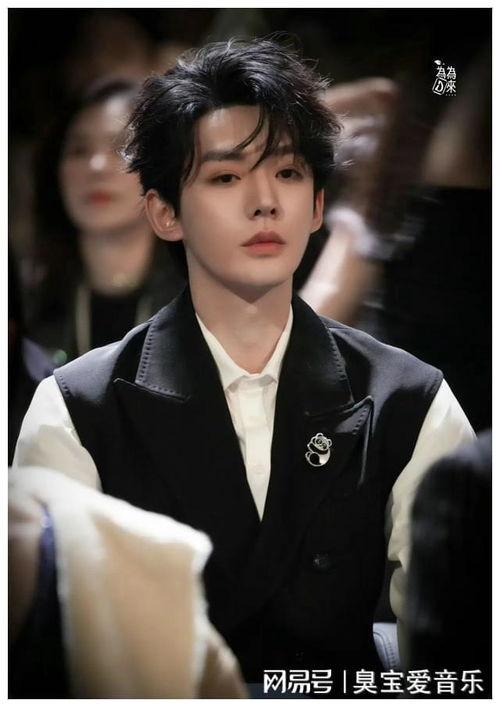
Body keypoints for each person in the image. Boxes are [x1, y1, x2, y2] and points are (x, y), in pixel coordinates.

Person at [14, 38, 474, 695]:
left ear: (318, 205)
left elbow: (456, 648)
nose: (264, 202)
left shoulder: (410, 399)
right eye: (226, 177)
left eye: (287, 174)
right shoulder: (77, 407)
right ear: (164, 212)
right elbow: (49, 654)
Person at [27, 78, 184, 366]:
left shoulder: (202, 301)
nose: (96, 166)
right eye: (79, 150)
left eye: (122, 148)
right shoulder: (28, 306)